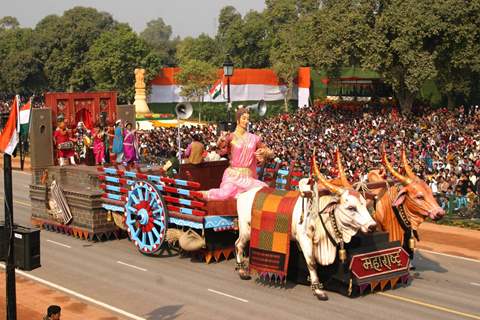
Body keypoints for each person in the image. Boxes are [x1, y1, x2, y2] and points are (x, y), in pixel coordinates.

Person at [203, 107, 273, 201]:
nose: (246, 121)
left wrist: (264, 152)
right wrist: (220, 141)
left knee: (263, 192)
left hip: (248, 178)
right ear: (238, 120)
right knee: (225, 194)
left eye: (248, 119)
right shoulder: (231, 136)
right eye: (244, 118)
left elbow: (269, 151)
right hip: (233, 176)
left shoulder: (255, 138)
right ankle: (201, 195)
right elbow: (220, 147)